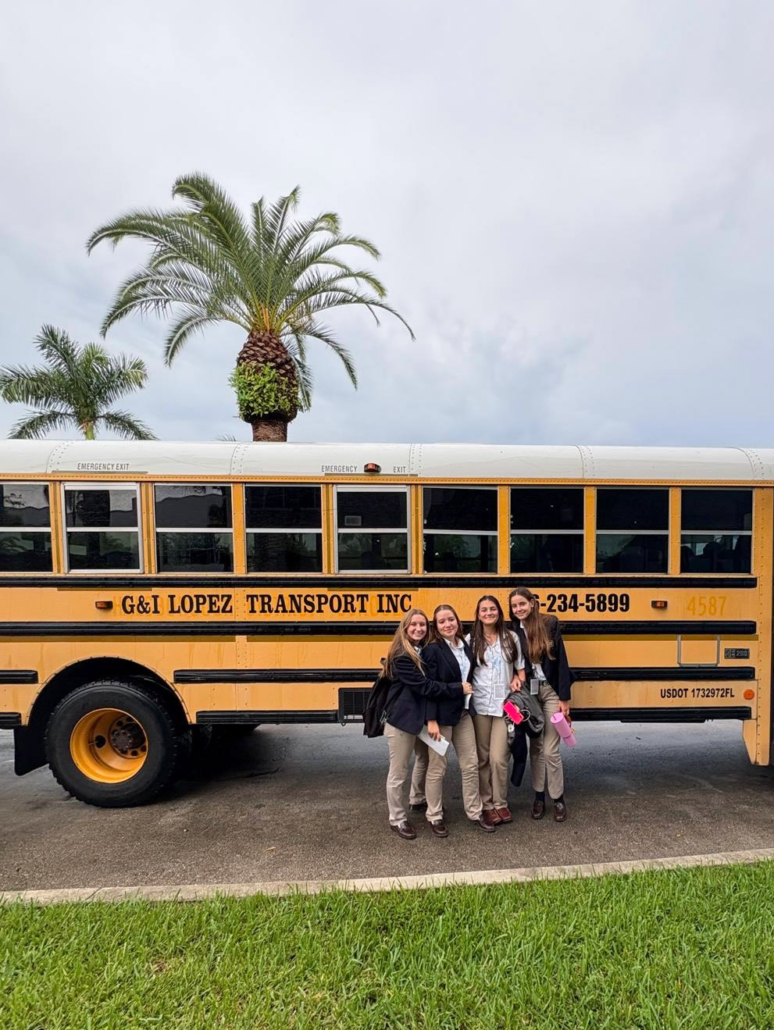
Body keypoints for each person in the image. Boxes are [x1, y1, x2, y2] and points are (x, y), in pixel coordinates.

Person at [382, 608, 474, 840]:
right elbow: (426, 687)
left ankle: (416, 799)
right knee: (398, 771)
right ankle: (397, 819)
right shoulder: (402, 654)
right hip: (403, 720)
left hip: (420, 719)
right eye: (413, 625)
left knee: (424, 759)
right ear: (405, 627)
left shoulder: (421, 648)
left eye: (422, 625)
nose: (418, 629)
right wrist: (458, 688)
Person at [421, 605, 495, 836]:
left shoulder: (465, 646)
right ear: (436, 626)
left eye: (451, 619)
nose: (447, 624)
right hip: (441, 718)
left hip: (463, 715)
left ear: (457, 621)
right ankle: (434, 815)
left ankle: (474, 811)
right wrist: (430, 719)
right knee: (437, 767)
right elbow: (429, 687)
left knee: (470, 764)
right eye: (441, 621)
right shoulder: (432, 650)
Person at [508, 586, 574, 823]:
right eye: (514, 606)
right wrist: (514, 677)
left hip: (550, 690)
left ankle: (557, 798)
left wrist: (564, 699)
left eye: (522, 604)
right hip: (528, 693)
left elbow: (562, 662)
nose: (519, 609)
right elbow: (510, 662)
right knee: (535, 746)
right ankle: (538, 797)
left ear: (532, 603)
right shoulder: (512, 630)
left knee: (550, 749)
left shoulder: (549, 624)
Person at [468, 595, 526, 826]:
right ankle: (487, 804)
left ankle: (501, 802)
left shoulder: (511, 638)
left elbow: (521, 668)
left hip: (507, 706)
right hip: (480, 705)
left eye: (493, 609)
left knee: (499, 757)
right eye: (484, 609)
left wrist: (516, 679)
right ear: (478, 614)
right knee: (482, 758)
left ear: (499, 612)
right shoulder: (471, 640)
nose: (489, 613)